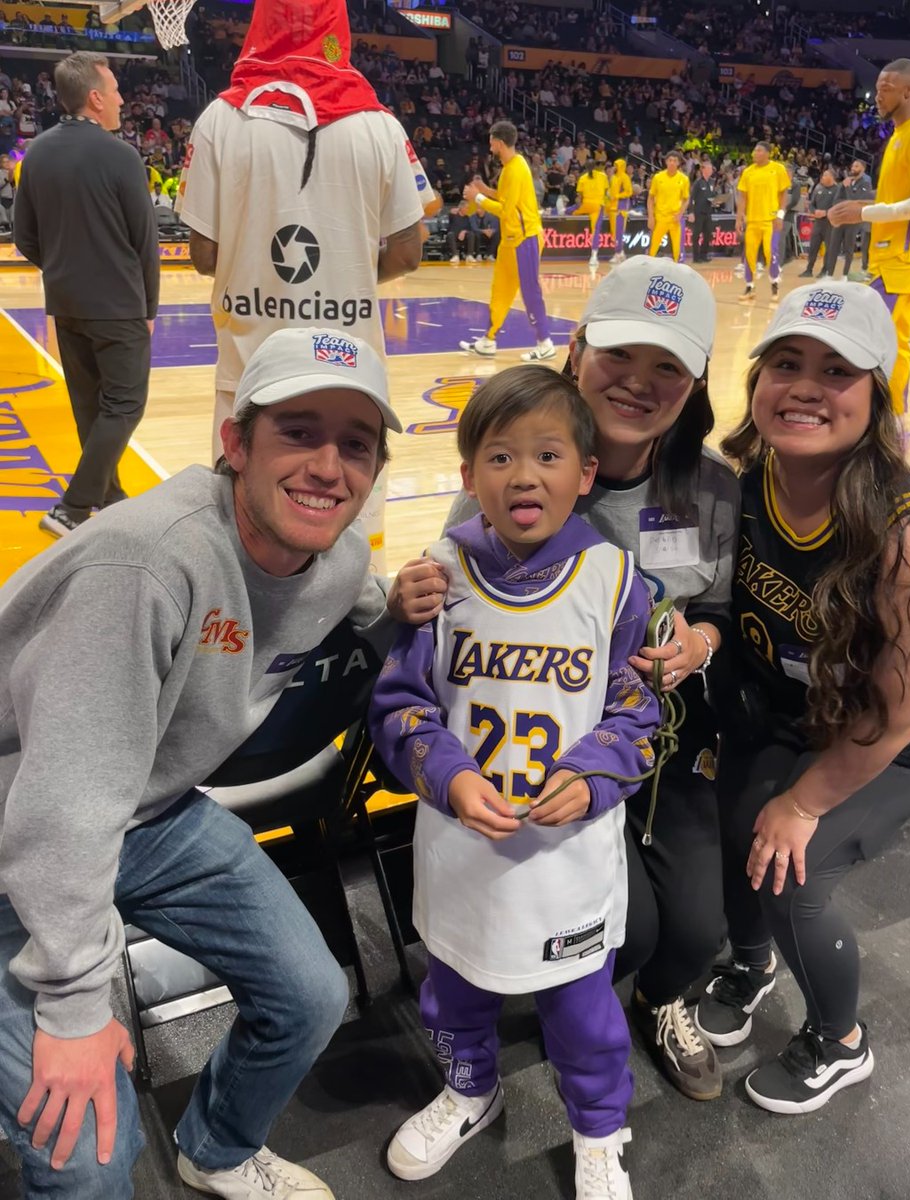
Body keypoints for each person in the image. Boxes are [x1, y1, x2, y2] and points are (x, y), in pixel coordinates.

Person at [0, 325, 407, 1199]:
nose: (329, 467)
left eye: (356, 444)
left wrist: (423, 609)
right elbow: (61, 806)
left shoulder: (337, 558)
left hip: (142, 812)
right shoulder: (147, 564)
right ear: (234, 442)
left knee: (308, 996)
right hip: (20, 826)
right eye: (298, 431)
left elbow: (369, 608)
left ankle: (215, 1146)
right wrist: (74, 1011)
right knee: (87, 1161)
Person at [396, 258, 740, 1105]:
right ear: (579, 348)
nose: (639, 383)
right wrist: (409, 600)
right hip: (553, 749)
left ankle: (662, 1005)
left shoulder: (714, 490)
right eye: (621, 354)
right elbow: (448, 623)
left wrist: (699, 638)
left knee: (696, 932)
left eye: (668, 366)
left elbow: (730, 611)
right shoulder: (512, 478)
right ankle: (557, 1000)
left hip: (665, 744)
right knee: (632, 930)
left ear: (694, 382)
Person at [369, 365, 660, 1199]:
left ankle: (599, 1132)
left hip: (565, 857)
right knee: (453, 989)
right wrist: (451, 778)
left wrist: (594, 770)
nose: (523, 476)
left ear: (585, 474)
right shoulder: (437, 573)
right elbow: (399, 706)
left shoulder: (615, 580)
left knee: (583, 1016)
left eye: (546, 455)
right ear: (466, 477)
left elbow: (638, 714)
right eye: (498, 457)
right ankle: (469, 1088)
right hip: (462, 844)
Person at [696, 283, 910, 1114]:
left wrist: (805, 803)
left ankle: (841, 1041)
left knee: (788, 874)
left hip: (886, 737)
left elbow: (901, 711)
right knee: (737, 822)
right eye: (786, 362)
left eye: (836, 369)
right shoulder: (744, 484)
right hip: (787, 709)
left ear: (877, 396)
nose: (805, 385)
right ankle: (753, 958)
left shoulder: (908, 534)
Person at [177, 0, 428, 460]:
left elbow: (204, 254)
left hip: (250, 373)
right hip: (349, 374)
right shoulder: (382, 126)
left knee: (239, 520)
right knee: (345, 521)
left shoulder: (218, 120)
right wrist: (340, 278)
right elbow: (409, 251)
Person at [13, 52, 157, 538]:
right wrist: (149, 307)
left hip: (65, 302)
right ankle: (72, 509)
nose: (120, 99)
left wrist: (60, 268)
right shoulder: (122, 156)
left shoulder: (36, 152)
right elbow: (145, 242)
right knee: (125, 406)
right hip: (117, 306)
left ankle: (110, 497)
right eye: (114, 90)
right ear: (95, 99)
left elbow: (23, 238)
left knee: (91, 409)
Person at [827, 59, 910, 415]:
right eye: (877, 88)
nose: (877, 96)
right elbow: (894, 202)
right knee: (883, 341)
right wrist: (857, 205)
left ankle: (890, 424)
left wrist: (862, 212)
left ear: (909, 90)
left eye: (886, 89)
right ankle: (885, 419)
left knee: (889, 344)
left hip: (902, 259)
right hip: (885, 257)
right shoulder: (899, 134)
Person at [460, 121, 555, 363]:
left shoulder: (516, 168)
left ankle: (545, 343)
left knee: (530, 291)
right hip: (510, 240)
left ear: (499, 142)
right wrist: (485, 190)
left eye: (491, 141)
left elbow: (507, 211)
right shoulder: (509, 167)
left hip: (526, 238)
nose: (489, 146)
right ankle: (488, 340)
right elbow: (504, 196)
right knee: (500, 290)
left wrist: (477, 196)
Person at [736, 140, 790, 304]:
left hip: (771, 220)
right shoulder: (748, 172)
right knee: (749, 256)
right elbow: (742, 198)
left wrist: (780, 215)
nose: (755, 153)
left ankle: (774, 285)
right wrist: (739, 218)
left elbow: (783, 195)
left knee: (770, 252)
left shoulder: (778, 169)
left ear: (767, 153)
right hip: (752, 220)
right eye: (754, 151)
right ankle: (750, 287)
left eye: (759, 151)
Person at [824, 158, 873, 281]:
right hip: (840, 219)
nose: (853, 168)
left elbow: (858, 202)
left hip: (853, 221)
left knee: (849, 248)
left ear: (863, 169)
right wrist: (846, 200)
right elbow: (836, 201)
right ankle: (829, 275)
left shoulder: (866, 184)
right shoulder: (845, 182)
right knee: (833, 247)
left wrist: (847, 189)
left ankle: (845, 275)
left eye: (856, 166)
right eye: (852, 166)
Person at [646, 149, 689, 263]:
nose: (672, 163)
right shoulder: (658, 177)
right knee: (653, 249)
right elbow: (650, 198)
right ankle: (648, 271)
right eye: (670, 160)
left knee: (676, 250)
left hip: (675, 218)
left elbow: (686, 199)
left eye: (675, 161)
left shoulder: (684, 179)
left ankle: (677, 272)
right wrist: (651, 216)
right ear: (666, 162)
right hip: (660, 217)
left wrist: (680, 214)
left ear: (679, 163)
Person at [799, 167, 840, 279]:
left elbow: (838, 207)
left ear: (832, 177)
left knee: (828, 248)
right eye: (823, 175)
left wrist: (826, 212)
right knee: (813, 247)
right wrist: (814, 211)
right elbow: (812, 204)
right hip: (818, 223)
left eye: (826, 175)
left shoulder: (838, 190)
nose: (823, 177)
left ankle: (825, 270)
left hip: (830, 224)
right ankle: (809, 269)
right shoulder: (818, 187)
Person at [571, 157, 608, 269]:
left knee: (569, 211)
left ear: (586, 168)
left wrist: (577, 209)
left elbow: (579, 198)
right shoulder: (603, 176)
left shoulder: (582, 178)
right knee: (595, 231)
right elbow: (606, 193)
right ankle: (594, 256)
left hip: (586, 205)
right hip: (598, 207)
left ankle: (557, 211)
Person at [688, 159, 718, 263]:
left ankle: (704, 255)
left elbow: (712, 196)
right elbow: (691, 198)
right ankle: (696, 258)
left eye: (711, 169)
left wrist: (716, 201)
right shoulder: (698, 183)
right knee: (696, 235)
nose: (711, 171)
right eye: (709, 168)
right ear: (703, 170)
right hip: (698, 212)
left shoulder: (711, 182)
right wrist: (691, 212)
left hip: (708, 212)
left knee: (708, 234)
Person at [605, 156, 633, 265]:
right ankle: (620, 252)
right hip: (612, 208)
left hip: (621, 208)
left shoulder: (625, 177)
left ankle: (618, 253)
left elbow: (629, 192)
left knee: (619, 232)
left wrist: (617, 196)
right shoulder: (613, 177)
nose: (614, 167)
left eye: (616, 165)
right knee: (614, 232)